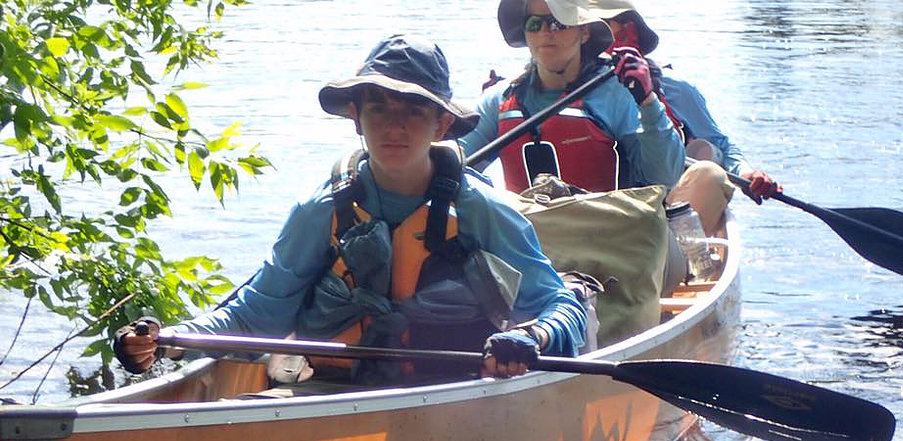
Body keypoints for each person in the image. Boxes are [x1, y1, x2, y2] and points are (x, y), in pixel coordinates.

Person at [114, 34, 586, 383]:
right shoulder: (319, 212)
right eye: (378, 108)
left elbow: (560, 305)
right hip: (340, 394)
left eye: (413, 110)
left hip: (456, 393)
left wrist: (532, 338)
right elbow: (255, 313)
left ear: (441, 124)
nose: (394, 126)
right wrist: (169, 340)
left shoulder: (482, 210)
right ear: (356, 119)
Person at [588, 0, 781, 233]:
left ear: (629, 31)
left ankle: (681, 250)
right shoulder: (564, 94)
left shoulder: (675, 88)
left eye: (601, 26)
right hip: (598, 214)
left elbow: (721, 145)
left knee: (710, 171)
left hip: (668, 214)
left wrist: (746, 174)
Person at [459, 0, 685, 194]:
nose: (545, 32)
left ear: (584, 32)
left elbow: (664, 178)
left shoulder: (617, 93)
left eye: (558, 23)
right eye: (534, 24)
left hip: (607, 229)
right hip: (521, 230)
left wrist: (648, 102)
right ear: (525, 34)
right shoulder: (499, 99)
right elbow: (456, 160)